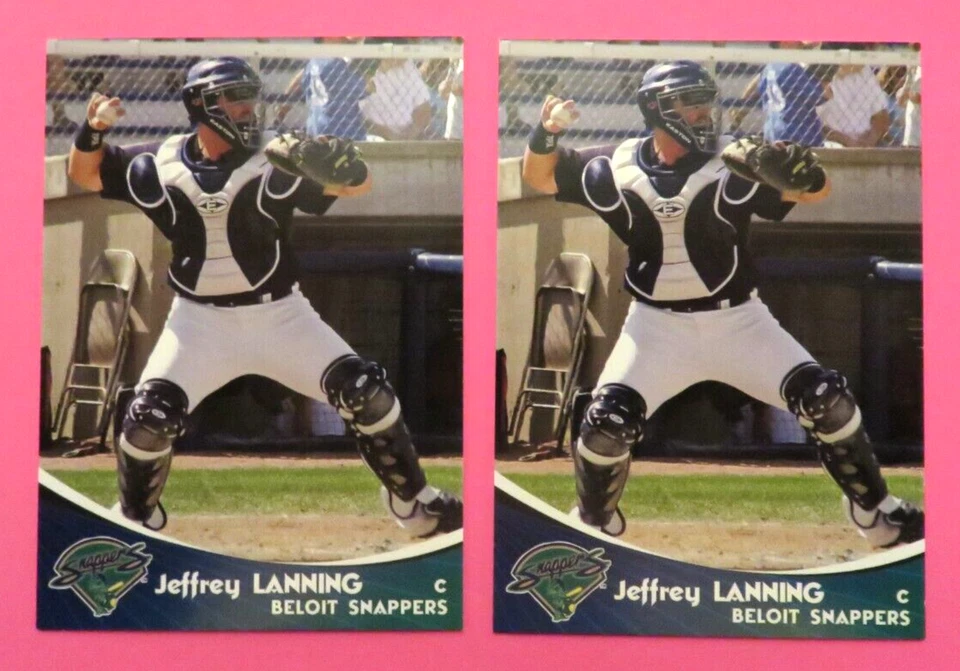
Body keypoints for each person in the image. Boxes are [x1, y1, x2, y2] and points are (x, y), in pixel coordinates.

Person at [521, 60, 923, 549]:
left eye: (705, 101)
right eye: (689, 102)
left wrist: (807, 174)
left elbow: (814, 192)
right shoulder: (613, 168)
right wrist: (545, 131)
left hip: (739, 323)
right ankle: (592, 527)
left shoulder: (734, 163)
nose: (702, 112)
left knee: (828, 402)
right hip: (655, 329)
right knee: (605, 426)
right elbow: (538, 177)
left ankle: (875, 511)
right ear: (656, 108)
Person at [66, 57, 462, 538]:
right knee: (147, 420)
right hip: (197, 324)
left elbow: (355, 186)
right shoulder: (158, 164)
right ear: (200, 103)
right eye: (232, 97)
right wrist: (92, 128)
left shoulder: (275, 157)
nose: (246, 107)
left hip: (281, 317)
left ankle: (413, 503)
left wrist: (346, 167)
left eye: (249, 96)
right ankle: (133, 523)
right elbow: (85, 173)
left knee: (368, 395)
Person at [731, 41, 826, 146]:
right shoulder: (793, 69)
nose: (800, 45)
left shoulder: (770, 68)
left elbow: (754, 89)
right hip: (797, 133)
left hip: (773, 131)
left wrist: (739, 115)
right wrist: (824, 73)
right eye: (797, 43)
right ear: (784, 43)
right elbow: (823, 95)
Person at [274, 39, 369, 140]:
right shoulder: (337, 65)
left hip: (316, 128)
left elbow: (296, 83)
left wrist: (282, 110)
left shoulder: (314, 62)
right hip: (342, 130)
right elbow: (364, 89)